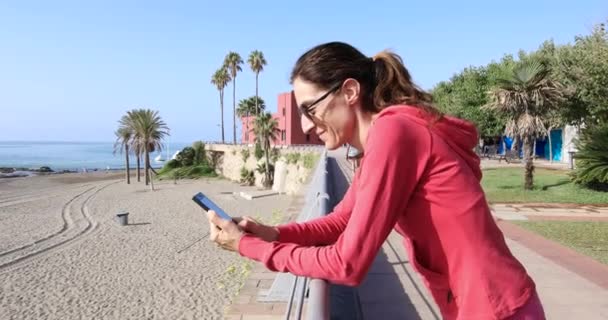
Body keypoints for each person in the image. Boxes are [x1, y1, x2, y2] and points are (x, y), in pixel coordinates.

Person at [206, 42, 545, 320]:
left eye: (310, 109)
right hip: (483, 306)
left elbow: (347, 264)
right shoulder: (381, 142)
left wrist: (248, 246)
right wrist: (272, 233)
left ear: (350, 91)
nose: (307, 125)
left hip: (497, 309)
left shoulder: (393, 132)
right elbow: (340, 221)